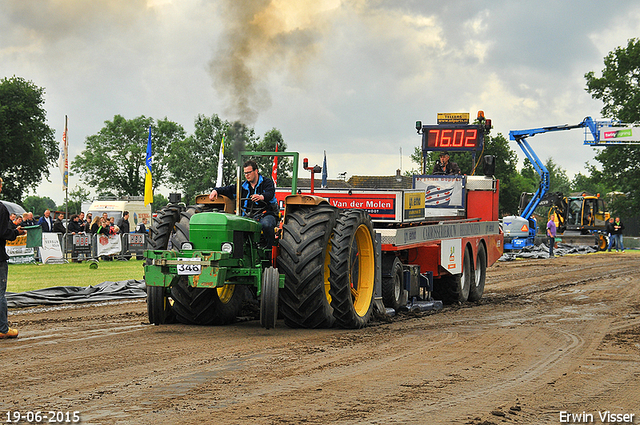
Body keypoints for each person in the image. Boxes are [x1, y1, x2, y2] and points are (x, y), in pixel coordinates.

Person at [209, 160, 278, 247]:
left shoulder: (267, 182)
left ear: (256, 171)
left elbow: (270, 193)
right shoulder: (242, 186)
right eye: (245, 173)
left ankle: (269, 250)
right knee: (235, 226)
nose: (247, 175)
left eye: (249, 172)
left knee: (266, 225)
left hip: (265, 214)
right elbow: (228, 189)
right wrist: (216, 190)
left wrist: (261, 197)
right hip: (247, 215)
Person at [0, 177, 27, 339]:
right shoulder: (2, 209)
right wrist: (16, 232)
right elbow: (3, 233)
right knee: (0, 294)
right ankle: (3, 328)